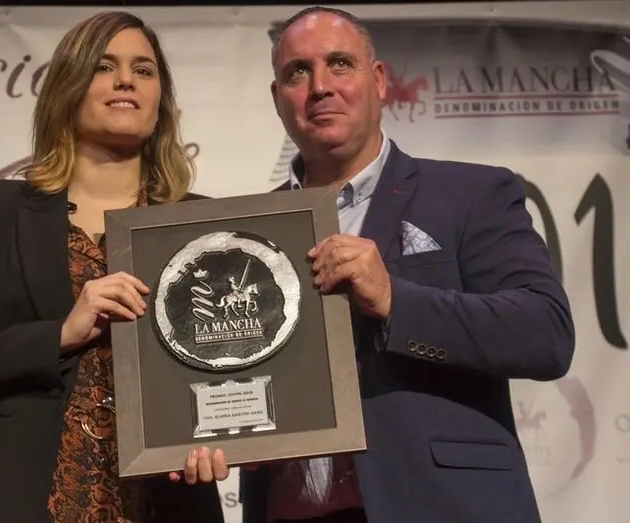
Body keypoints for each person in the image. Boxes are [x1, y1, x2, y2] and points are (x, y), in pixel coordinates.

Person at [182, 6, 575, 523]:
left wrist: (394, 300)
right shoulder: (245, 236)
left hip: (441, 507)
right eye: (298, 72)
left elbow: (546, 334)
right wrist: (212, 429)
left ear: (380, 81)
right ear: (278, 98)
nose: (320, 86)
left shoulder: (472, 193)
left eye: (339, 63)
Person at [0, 11, 224, 523]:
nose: (126, 80)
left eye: (143, 70)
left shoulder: (203, 226)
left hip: (164, 502)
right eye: (105, 66)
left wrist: (225, 433)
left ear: (160, 101)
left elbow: (231, 369)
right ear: (68, 87)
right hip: (19, 500)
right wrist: (60, 334)